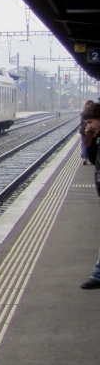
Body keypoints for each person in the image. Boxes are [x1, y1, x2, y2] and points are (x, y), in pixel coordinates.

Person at [79, 102, 100, 288]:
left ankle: (97, 275)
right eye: (87, 123)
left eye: (92, 122)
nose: (90, 126)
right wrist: (89, 137)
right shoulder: (97, 137)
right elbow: (93, 159)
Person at [80, 101, 96, 165]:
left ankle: (84, 158)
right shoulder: (93, 113)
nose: (89, 124)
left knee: (85, 144)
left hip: (84, 131)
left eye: (90, 122)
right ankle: (88, 158)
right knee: (88, 144)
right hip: (88, 131)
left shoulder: (84, 113)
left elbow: (81, 123)